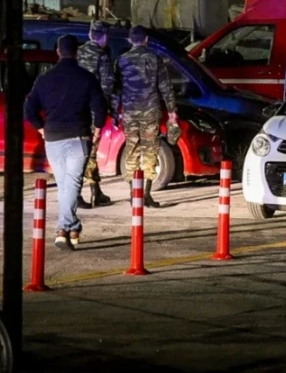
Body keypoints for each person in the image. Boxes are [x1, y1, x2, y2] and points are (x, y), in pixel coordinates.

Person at [25, 35, 106, 250]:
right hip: (79, 137)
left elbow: (29, 109)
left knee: (65, 185)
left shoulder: (44, 79)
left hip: (53, 139)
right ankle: (64, 228)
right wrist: (98, 130)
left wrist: (42, 128)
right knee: (72, 184)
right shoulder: (87, 77)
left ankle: (73, 226)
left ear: (58, 52)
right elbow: (100, 108)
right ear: (77, 52)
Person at [113, 25, 179, 208]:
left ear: (129, 40)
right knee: (150, 149)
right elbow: (166, 88)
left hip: (130, 112)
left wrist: (114, 113)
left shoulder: (121, 60)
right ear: (146, 39)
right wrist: (172, 111)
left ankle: (133, 193)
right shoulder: (155, 59)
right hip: (150, 111)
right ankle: (147, 194)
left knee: (131, 149)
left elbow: (116, 90)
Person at [75, 20, 115, 208]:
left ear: (90, 34)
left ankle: (95, 191)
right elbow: (107, 86)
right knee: (88, 152)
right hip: (92, 110)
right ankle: (80, 193)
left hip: (76, 109)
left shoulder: (78, 52)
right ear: (104, 36)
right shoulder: (102, 56)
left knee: (84, 150)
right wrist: (107, 109)